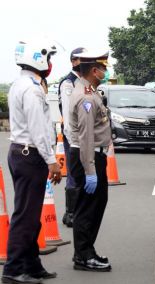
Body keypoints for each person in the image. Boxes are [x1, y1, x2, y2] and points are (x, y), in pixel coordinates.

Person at [1, 39, 62, 284]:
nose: (49, 64)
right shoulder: (32, 89)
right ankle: (14, 269)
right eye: (47, 59)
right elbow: (39, 129)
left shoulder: (20, 84)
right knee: (26, 215)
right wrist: (52, 161)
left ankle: (31, 264)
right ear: (38, 59)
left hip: (21, 153)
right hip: (31, 154)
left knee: (30, 213)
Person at [68, 50, 112, 272]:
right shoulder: (86, 97)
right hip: (88, 156)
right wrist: (90, 170)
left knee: (96, 203)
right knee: (87, 207)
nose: (106, 71)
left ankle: (87, 251)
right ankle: (83, 255)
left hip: (93, 155)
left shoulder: (90, 91)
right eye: (103, 67)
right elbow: (86, 137)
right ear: (94, 71)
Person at [59, 47, 86, 228]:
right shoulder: (68, 83)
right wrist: (74, 141)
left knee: (82, 174)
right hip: (74, 137)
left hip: (84, 136)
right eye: (82, 60)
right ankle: (70, 213)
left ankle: (80, 211)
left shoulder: (83, 82)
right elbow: (68, 118)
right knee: (73, 174)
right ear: (74, 61)